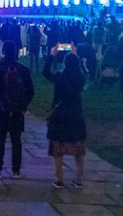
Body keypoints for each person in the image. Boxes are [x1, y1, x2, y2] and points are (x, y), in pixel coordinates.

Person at [40, 44, 88, 188]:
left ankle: (58, 178)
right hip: (75, 115)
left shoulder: (60, 77)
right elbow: (84, 71)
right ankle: (79, 179)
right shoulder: (81, 78)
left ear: (65, 63)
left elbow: (45, 72)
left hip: (60, 115)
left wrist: (52, 55)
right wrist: (75, 55)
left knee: (58, 149)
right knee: (78, 149)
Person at [0, 40, 34, 179]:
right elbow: (30, 91)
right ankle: (16, 170)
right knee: (16, 141)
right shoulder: (23, 70)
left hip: (0, 110)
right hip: (18, 110)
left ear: (3, 51)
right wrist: (23, 106)